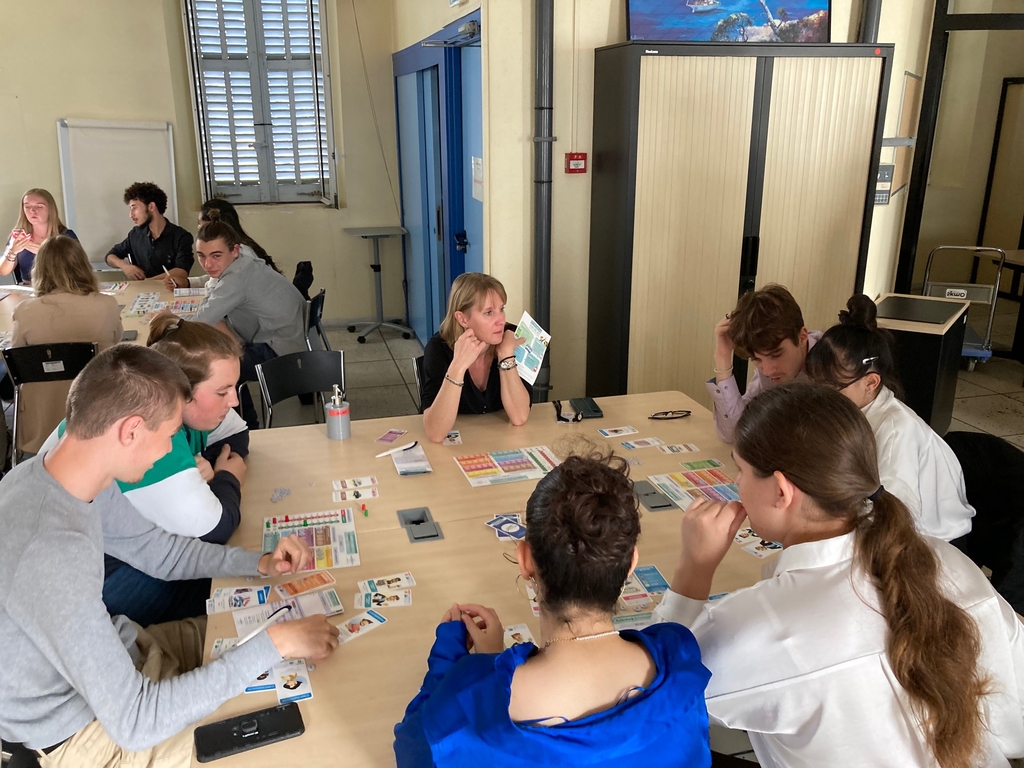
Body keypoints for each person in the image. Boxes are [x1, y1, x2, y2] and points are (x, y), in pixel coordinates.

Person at [0, 344, 339, 767]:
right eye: (169, 436)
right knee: (296, 735)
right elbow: (137, 722)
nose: (173, 453)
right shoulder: (49, 553)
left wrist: (259, 563)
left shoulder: (61, 475)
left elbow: (159, 551)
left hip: (124, 657)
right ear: (130, 431)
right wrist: (277, 644)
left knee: (267, 625)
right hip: (83, 732)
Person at [655, 383, 1024, 767]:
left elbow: (652, 690)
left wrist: (693, 568)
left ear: (781, 491)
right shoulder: (946, 560)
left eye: (741, 470)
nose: (737, 483)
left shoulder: (765, 625)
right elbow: (1015, 723)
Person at [394, 451, 712, 767]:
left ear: (525, 560)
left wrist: (450, 662)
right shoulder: (678, 657)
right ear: (631, 563)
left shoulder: (468, 700)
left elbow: (414, 750)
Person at [103, 315, 248, 625]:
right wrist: (228, 478)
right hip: (105, 583)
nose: (234, 401)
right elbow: (216, 529)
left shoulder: (163, 403)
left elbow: (238, 435)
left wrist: (202, 469)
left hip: (130, 550)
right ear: (181, 391)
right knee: (240, 588)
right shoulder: (153, 436)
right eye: (222, 392)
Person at [805, 294, 974, 542]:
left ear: (871, 382)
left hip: (931, 541)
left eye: (831, 388)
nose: (820, 398)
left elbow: (893, 516)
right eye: (815, 385)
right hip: (873, 523)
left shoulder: (896, 430)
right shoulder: (849, 409)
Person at [10, 237, 123, 455]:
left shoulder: (25, 311)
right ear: (82, 265)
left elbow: (18, 358)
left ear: (39, 270)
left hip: (42, 418)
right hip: (95, 409)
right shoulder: (107, 304)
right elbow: (116, 341)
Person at [190, 220, 307, 428]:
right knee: (218, 333)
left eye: (216, 256)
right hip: (287, 340)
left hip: (279, 353)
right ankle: (239, 421)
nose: (208, 264)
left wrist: (167, 319)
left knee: (215, 366)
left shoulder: (236, 277)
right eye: (201, 256)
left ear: (235, 250)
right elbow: (209, 309)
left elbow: (199, 322)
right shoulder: (244, 262)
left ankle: (244, 427)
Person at [421, 273, 532, 443]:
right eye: (489, 312)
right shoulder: (438, 348)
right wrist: (458, 366)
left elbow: (519, 417)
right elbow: (435, 433)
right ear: (462, 319)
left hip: (503, 441)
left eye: (501, 309)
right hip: (460, 445)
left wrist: (505, 355)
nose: (501, 321)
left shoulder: (513, 339)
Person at [708, 283, 821, 443]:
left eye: (776, 355)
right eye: (757, 359)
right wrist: (722, 356)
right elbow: (736, 431)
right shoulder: (769, 370)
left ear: (802, 337)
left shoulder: (836, 365)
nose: (767, 371)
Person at [105, 182, 194, 280]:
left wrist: (148, 282)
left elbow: (182, 271)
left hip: (168, 288)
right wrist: (125, 266)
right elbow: (110, 256)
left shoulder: (181, 236)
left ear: (151, 206)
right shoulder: (135, 234)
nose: (131, 215)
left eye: (134, 208)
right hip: (142, 289)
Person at [1, 188, 77, 285]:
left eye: (39, 206)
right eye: (27, 206)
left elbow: (76, 269)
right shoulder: (20, 237)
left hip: (61, 287)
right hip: (29, 288)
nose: (32, 210)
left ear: (50, 209)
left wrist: (46, 253)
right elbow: (3, 271)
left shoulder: (66, 236)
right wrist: (12, 251)